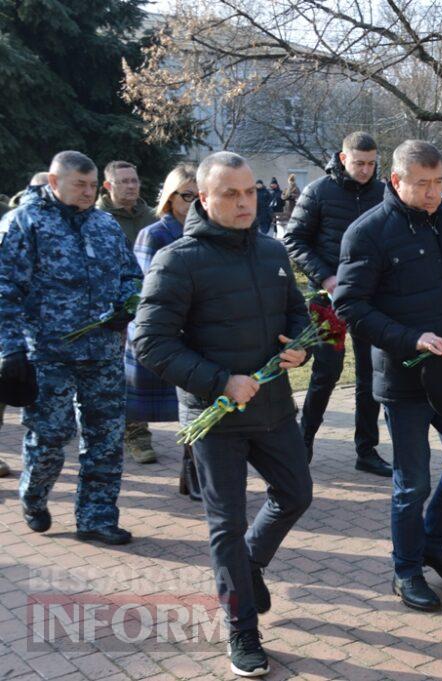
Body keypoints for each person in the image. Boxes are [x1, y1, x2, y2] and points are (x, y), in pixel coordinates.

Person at [133, 152, 312, 677]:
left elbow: (297, 316)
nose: (243, 202)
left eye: (250, 192)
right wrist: (220, 382)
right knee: (226, 526)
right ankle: (242, 631)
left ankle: (250, 565)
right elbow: (149, 341)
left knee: (296, 495)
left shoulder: (272, 251)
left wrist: (302, 347)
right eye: (230, 194)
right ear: (203, 198)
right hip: (217, 417)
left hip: (275, 409)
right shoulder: (178, 259)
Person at [335, 140, 442, 612]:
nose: (433, 192)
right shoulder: (368, 233)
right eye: (422, 183)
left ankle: (432, 544)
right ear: (396, 180)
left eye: (439, 182)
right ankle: (407, 571)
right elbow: (350, 307)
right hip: (404, 379)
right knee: (412, 484)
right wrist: (411, 338)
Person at [0, 150, 142, 543]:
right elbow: (4, 291)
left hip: (103, 353)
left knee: (106, 439)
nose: (87, 192)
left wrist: (125, 307)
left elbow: (132, 274)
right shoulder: (22, 224)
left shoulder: (105, 225)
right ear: (53, 181)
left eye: (93, 185)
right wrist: (10, 351)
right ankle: (33, 495)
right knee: (49, 438)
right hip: (48, 354)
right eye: (79, 184)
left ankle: (97, 518)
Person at [283, 131, 390, 476]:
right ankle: (303, 444)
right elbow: (295, 241)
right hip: (328, 302)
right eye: (359, 163)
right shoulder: (319, 192)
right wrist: (326, 278)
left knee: (369, 375)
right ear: (343, 159)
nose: (365, 170)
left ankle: (367, 450)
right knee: (325, 372)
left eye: (371, 163)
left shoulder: (383, 193)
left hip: (370, 301)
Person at [124, 164, 197, 490]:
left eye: (200, 195)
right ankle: (138, 439)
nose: (194, 202)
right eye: (186, 195)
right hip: (169, 336)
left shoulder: (207, 230)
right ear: (170, 198)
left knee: (197, 410)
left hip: (201, 334)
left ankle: (191, 474)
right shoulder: (154, 234)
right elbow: (145, 293)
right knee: (185, 407)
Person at [96, 160, 158, 247]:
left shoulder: (154, 216)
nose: (131, 186)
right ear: (108, 186)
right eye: (124, 181)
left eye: (134, 181)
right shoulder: (96, 219)